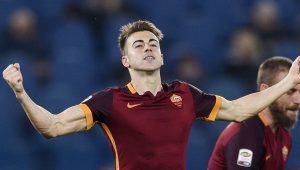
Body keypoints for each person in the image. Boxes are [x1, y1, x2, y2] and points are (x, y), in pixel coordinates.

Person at [2, 20, 300, 170]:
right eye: (138, 45)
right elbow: (51, 127)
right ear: (125, 61)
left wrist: (287, 83)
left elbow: (237, 109)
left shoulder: (184, 94)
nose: (148, 47)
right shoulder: (109, 100)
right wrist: (21, 93)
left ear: (162, 55)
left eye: (153, 43)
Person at [208, 56, 299, 170]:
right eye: (290, 91)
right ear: (265, 90)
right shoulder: (246, 133)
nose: (298, 100)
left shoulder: (284, 137)